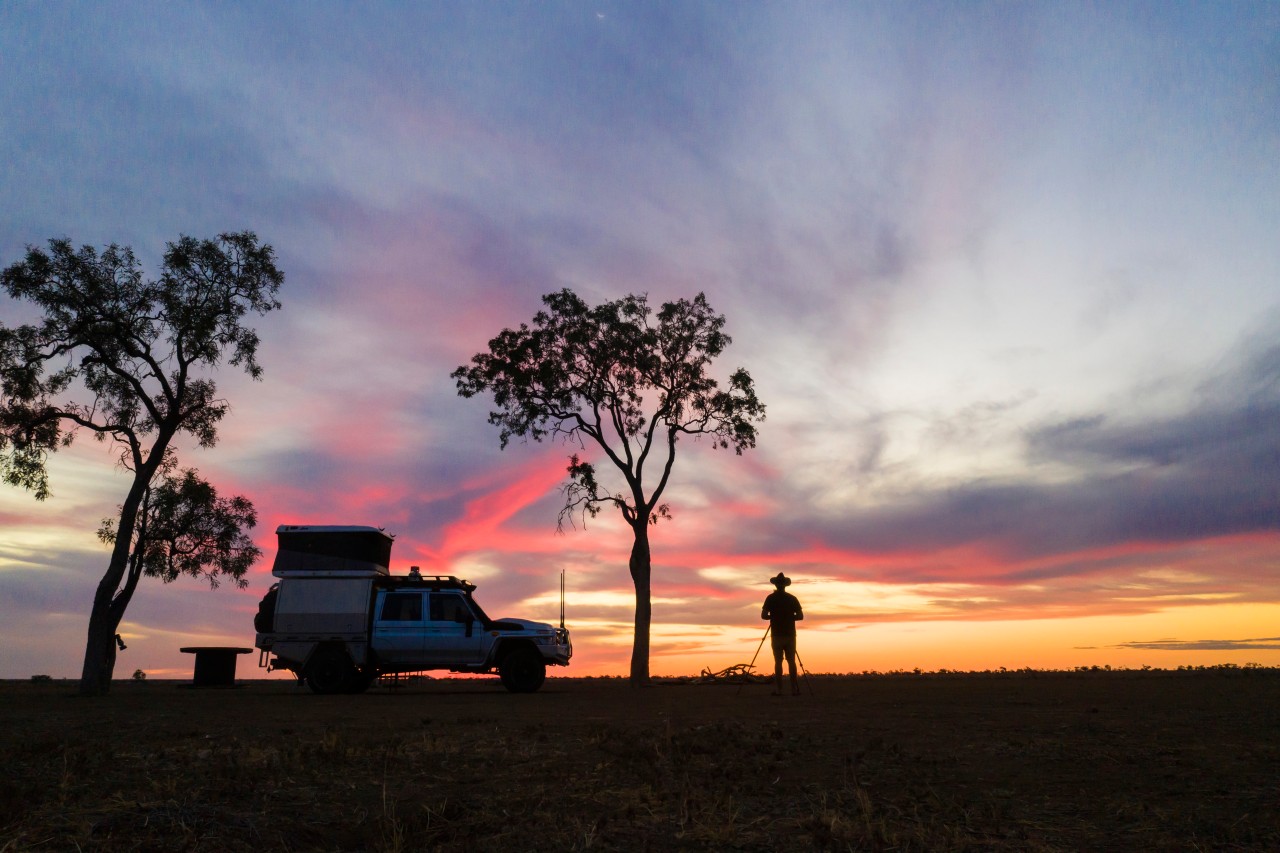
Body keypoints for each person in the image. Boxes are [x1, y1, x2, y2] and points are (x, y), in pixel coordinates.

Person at [761, 572, 803, 695]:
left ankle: (779, 690)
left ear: (776, 585)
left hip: (776, 634)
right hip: (790, 634)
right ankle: (794, 689)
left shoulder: (770, 598)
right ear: (785, 585)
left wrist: (775, 617)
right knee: (792, 661)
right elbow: (800, 616)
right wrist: (788, 617)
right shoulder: (792, 598)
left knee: (778, 662)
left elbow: (763, 615)